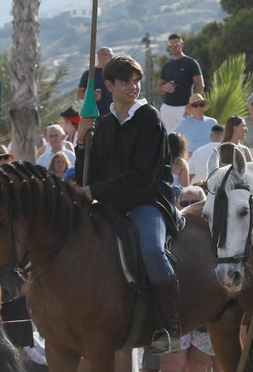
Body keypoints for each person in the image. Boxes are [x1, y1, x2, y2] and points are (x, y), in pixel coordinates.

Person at [77, 54, 184, 351]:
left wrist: (96, 188)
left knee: (151, 250)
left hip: (149, 202)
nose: (133, 87)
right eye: (125, 81)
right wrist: (82, 143)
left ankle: (171, 328)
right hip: (112, 205)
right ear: (109, 84)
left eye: (136, 81)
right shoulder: (105, 125)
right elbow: (91, 174)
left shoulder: (150, 118)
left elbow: (143, 176)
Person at [158, 34, 206, 130]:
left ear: (182, 44)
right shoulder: (167, 65)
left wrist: (192, 106)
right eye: (170, 46)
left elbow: (200, 84)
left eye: (176, 45)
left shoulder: (191, 63)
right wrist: (164, 88)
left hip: (184, 107)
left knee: (188, 138)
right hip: (167, 108)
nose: (173, 48)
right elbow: (159, 86)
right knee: (168, 139)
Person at [77, 45, 115, 117]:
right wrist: (90, 96)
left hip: (113, 114)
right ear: (100, 56)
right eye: (109, 55)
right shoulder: (90, 73)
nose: (111, 58)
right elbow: (79, 94)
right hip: (94, 115)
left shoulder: (114, 73)